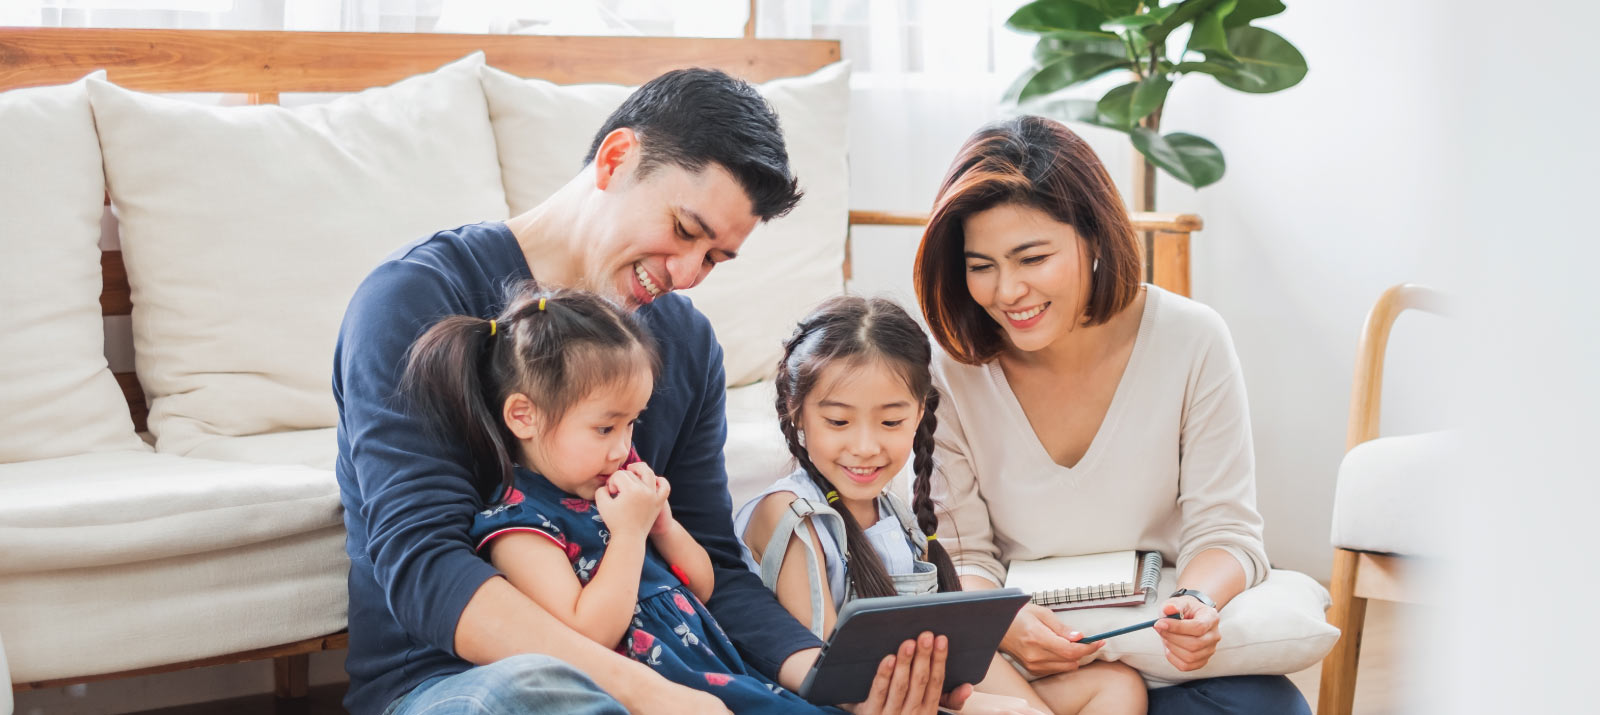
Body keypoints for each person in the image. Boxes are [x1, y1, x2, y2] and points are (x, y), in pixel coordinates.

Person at [335, 67, 965, 715]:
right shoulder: (414, 299)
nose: (689, 274)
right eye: (686, 230)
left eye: (715, 258)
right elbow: (424, 566)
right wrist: (646, 693)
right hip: (460, 682)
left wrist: (840, 683)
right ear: (616, 159)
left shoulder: (686, 345)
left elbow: (716, 566)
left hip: (672, 681)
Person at [911, 116, 1311, 714]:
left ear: (1093, 238)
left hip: (1156, 647)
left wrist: (1197, 601)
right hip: (1028, 661)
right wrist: (1003, 622)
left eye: (1032, 257)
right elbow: (964, 555)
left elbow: (1225, 530)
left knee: (1269, 708)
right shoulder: (951, 370)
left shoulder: (1191, 339)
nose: (1007, 291)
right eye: (981, 265)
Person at [400, 287, 853, 713]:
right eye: (604, 428)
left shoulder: (614, 494)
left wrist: (665, 528)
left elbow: (702, 587)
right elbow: (589, 633)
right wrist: (631, 535)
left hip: (716, 676)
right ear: (524, 416)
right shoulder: (521, 525)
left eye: (631, 424)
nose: (622, 448)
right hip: (651, 695)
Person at [736, 296, 1146, 715]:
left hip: (929, 686)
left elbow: (950, 652)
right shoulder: (792, 513)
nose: (865, 447)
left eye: (891, 422)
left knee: (1116, 687)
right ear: (796, 412)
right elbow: (833, 678)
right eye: (838, 422)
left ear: (919, 415)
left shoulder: (895, 515)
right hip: (865, 701)